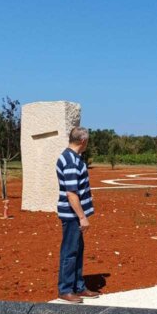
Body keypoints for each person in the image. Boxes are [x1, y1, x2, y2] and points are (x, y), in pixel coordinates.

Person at [56, 126, 100, 303]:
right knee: (70, 251)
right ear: (83, 141)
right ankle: (65, 289)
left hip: (74, 214)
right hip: (72, 215)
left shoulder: (75, 158)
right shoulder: (70, 161)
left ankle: (78, 286)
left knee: (77, 250)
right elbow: (71, 193)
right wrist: (82, 217)